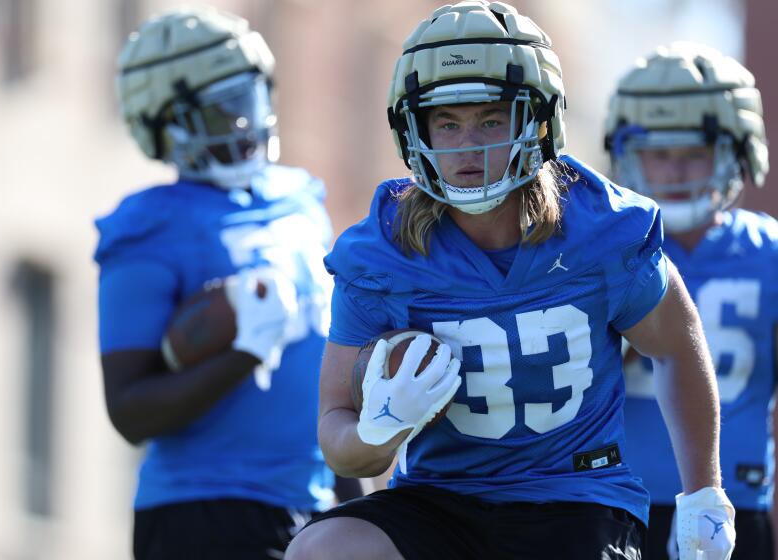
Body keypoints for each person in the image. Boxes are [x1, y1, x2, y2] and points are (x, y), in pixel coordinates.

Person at [286, 3, 735, 560]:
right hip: (443, 499)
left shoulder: (599, 229)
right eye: (446, 123)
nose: (466, 145)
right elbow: (337, 434)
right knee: (323, 549)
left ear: (538, 121)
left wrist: (704, 494)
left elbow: (677, 347)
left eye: (490, 120)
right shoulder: (382, 253)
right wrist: (379, 431)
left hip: (576, 498)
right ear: (414, 129)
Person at [95, 8, 347, 559]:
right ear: (168, 123)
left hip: (317, 502)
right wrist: (243, 354)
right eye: (220, 112)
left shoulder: (298, 201)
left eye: (247, 101)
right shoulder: (148, 229)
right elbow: (129, 410)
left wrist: (358, 493)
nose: (243, 124)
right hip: (205, 513)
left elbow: (325, 374)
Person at [605, 42, 773, 559]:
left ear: (736, 152)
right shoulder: (605, 250)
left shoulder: (768, 255)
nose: (675, 173)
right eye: (658, 155)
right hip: (615, 503)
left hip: (733, 504)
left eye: (693, 154)